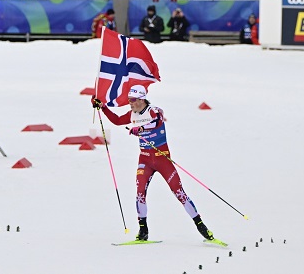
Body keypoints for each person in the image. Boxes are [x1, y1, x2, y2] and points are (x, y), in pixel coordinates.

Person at [91, 85, 215, 243]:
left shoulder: (153, 111)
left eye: (133, 100)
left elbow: (157, 122)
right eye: (129, 100)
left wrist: (141, 129)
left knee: (179, 193)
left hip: (162, 160)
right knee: (140, 193)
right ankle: (143, 231)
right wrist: (103, 107)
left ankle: (201, 227)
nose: (131, 103)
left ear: (142, 99)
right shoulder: (132, 114)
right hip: (145, 160)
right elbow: (116, 121)